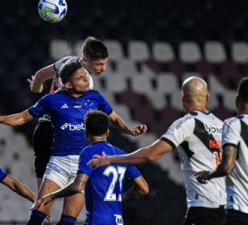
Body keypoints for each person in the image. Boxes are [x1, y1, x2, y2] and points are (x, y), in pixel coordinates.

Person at [0, 61, 147, 225]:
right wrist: (0, 119)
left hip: (84, 164)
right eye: (81, 78)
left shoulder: (95, 97)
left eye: (86, 76)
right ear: (68, 84)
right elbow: (22, 117)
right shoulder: (51, 100)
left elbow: (114, 119)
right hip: (59, 162)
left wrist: (130, 131)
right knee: (38, 210)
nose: (86, 80)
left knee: (69, 219)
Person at [89, 76, 227, 225]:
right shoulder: (223, 125)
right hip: (227, 207)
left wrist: (110, 159)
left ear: (182, 96)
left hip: (204, 207)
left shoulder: (188, 123)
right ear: (208, 97)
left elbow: (150, 155)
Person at [33, 110, 149, 225]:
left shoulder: (89, 152)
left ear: (86, 133)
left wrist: (52, 195)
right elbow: (143, 188)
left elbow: (78, 186)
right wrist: (118, 199)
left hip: (96, 221)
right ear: (107, 132)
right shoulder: (122, 155)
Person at [27, 36, 109, 189]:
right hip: (62, 131)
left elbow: (39, 76)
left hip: (43, 127)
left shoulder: (66, 61)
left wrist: (36, 89)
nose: (102, 68)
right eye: (98, 64)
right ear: (85, 60)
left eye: (104, 64)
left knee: (42, 189)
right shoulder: (85, 82)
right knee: (75, 186)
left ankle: (42, 208)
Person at [196, 77, 248, 225]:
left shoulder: (234, 124)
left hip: (240, 210)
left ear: (237, 99)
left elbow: (227, 166)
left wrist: (209, 174)